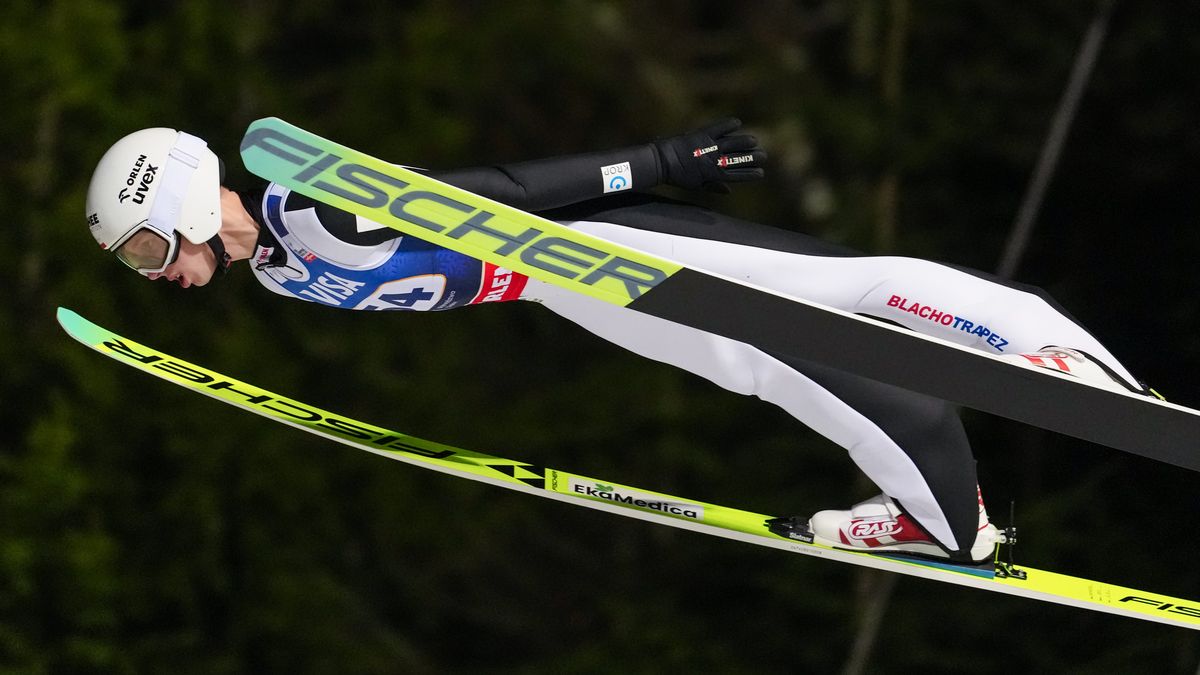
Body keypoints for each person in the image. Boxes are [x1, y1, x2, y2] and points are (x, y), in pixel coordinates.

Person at [83, 120, 1152, 564]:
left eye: (143, 253)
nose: (157, 277)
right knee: (766, 366)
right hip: (564, 292)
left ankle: (1055, 362)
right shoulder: (278, 269)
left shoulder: (314, 208)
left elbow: (493, 198)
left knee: (839, 292)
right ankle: (941, 519)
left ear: (173, 198)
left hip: (589, 242)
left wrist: (657, 160)